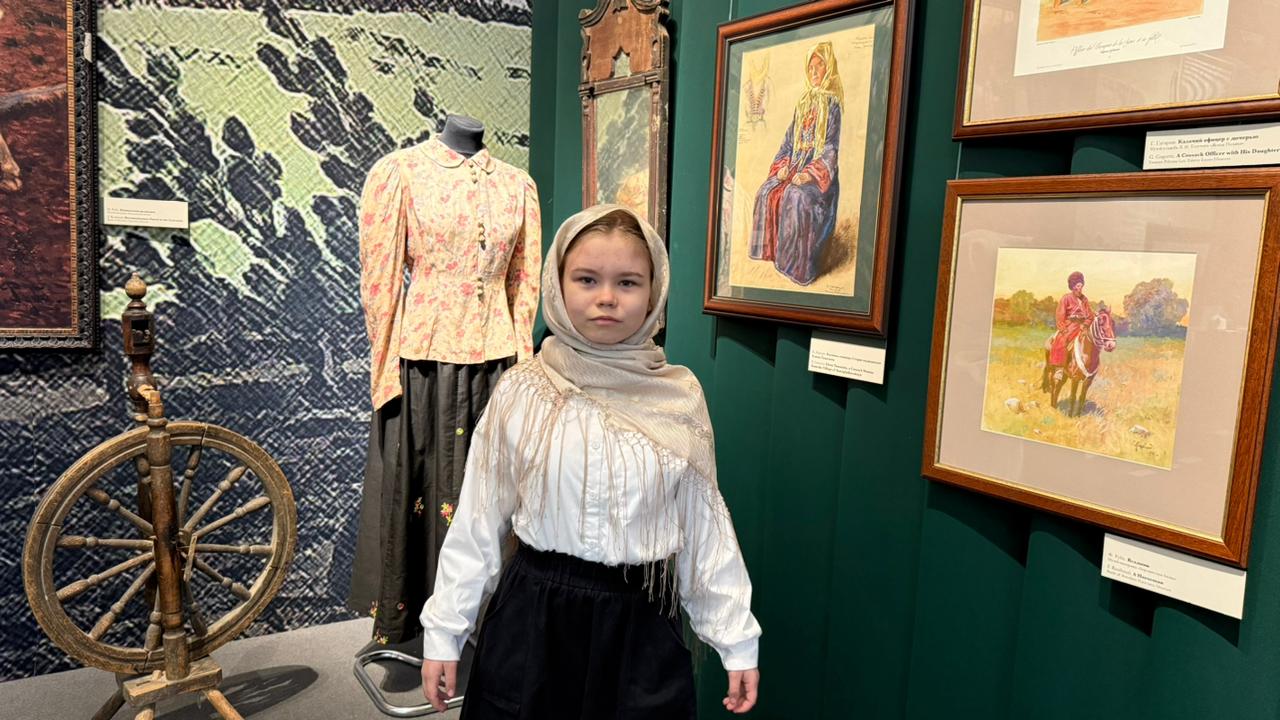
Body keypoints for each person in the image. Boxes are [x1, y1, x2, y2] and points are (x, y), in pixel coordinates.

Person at [419, 204, 763, 718]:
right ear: (558, 284)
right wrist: (445, 632)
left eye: (628, 282)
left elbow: (704, 525)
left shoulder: (679, 396)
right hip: (536, 613)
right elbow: (479, 519)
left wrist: (735, 640)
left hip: (640, 620)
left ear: (654, 291)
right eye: (586, 279)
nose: (607, 297)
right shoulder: (523, 390)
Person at [748, 41, 843, 286]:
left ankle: (794, 266)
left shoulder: (832, 106)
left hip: (819, 180)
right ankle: (771, 253)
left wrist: (809, 174)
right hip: (795, 168)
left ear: (829, 68)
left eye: (819, 65)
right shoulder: (803, 105)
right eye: (810, 67)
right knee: (766, 191)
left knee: (796, 196)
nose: (814, 71)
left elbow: (831, 150)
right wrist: (781, 168)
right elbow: (788, 144)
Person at [1048, 270, 1093, 368]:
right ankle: (1059, 368)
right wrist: (1063, 329)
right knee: (1061, 340)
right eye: (1077, 286)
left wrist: (1085, 324)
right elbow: (1060, 316)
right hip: (1070, 326)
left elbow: (1090, 316)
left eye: (1081, 286)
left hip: (1083, 326)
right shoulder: (1066, 298)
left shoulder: (1084, 300)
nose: (1079, 288)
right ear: (1073, 287)